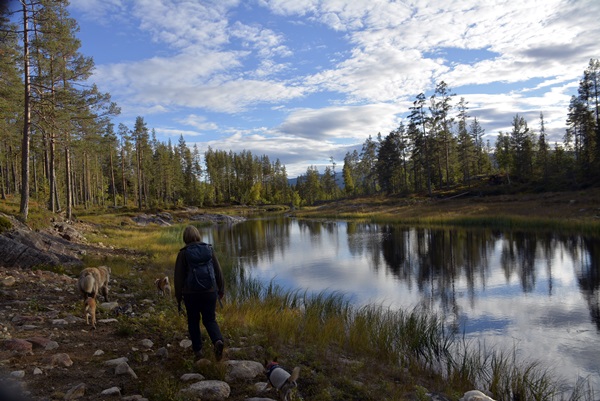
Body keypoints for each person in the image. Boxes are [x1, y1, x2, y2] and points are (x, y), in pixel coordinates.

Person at [174, 225, 225, 361]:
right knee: (210, 319)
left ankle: (198, 351)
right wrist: (221, 290)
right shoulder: (209, 249)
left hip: (191, 294)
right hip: (209, 292)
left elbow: (178, 278)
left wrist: (178, 297)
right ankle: (217, 341)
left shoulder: (183, 253)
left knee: (193, 321)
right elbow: (218, 271)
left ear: (185, 238)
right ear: (198, 235)